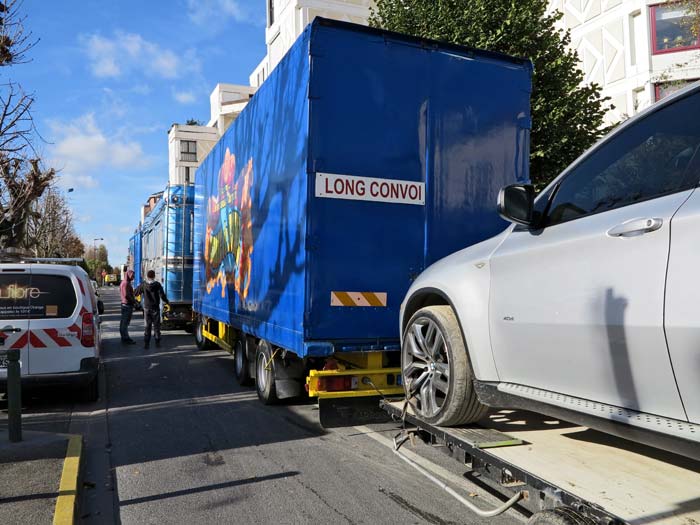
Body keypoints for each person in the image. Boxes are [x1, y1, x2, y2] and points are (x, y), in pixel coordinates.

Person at [134, 270, 170, 349]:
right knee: (157, 326)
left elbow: (136, 293)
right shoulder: (157, 285)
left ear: (147, 276)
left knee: (147, 326)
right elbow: (162, 295)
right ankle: (157, 343)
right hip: (155, 308)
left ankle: (146, 344)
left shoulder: (143, 285)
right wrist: (167, 301)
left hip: (147, 308)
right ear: (154, 276)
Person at [119, 269, 137, 344]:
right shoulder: (125, 283)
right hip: (127, 305)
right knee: (125, 323)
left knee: (124, 322)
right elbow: (126, 295)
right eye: (132, 276)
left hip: (126, 304)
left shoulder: (125, 282)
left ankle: (124, 337)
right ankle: (125, 338)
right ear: (129, 275)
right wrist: (133, 301)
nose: (133, 277)